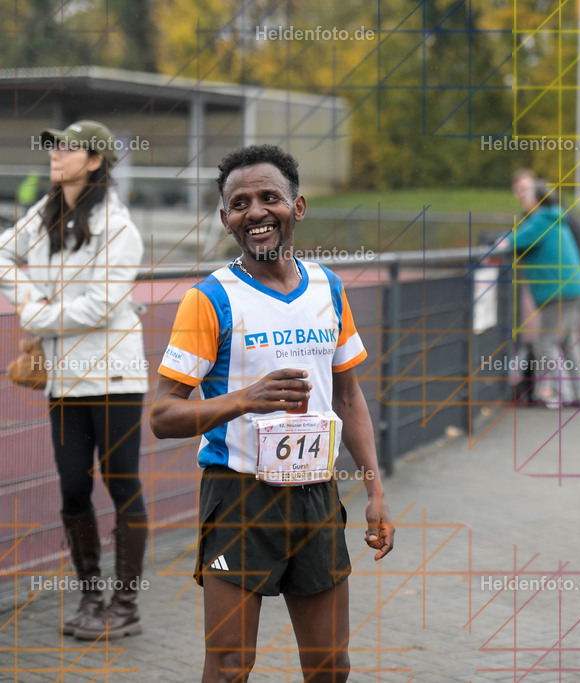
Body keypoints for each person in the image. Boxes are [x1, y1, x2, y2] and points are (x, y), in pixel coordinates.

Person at [150, 144, 394, 682]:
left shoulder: (328, 288)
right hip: (239, 496)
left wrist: (374, 489)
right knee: (230, 667)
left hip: (316, 495)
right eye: (240, 203)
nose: (255, 212)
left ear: (297, 207)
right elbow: (162, 416)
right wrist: (246, 398)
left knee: (331, 667)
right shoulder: (209, 299)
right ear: (226, 219)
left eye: (269, 198)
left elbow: (348, 397)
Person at [0, 120, 149, 639]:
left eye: (67, 148)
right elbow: (3, 256)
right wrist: (29, 299)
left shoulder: (119, 229)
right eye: (53, 146)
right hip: (65, 379)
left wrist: (38, 316)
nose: (55, 154)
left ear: (95, 160)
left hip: (115, 376)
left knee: (123, 484)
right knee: (72, 488)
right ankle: (91, 597)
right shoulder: (43, 214)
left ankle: (125, 605)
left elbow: (101, 306)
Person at [506, 179, 580, 408]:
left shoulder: (540, 220)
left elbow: (511, 241)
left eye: (526, 196)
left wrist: (497, 245)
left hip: (559, 291)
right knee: (569, 342)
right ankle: (579, 393)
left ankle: (557, 394)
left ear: (536, 200)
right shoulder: (556, 216)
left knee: (546, 343)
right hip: (575, 288)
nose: (522, 200)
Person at [511, 168, 580, 285]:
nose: (523, 194)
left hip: (574, 277)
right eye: (518, 189)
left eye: (526, 189)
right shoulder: (547, 213)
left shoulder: (549, 215)